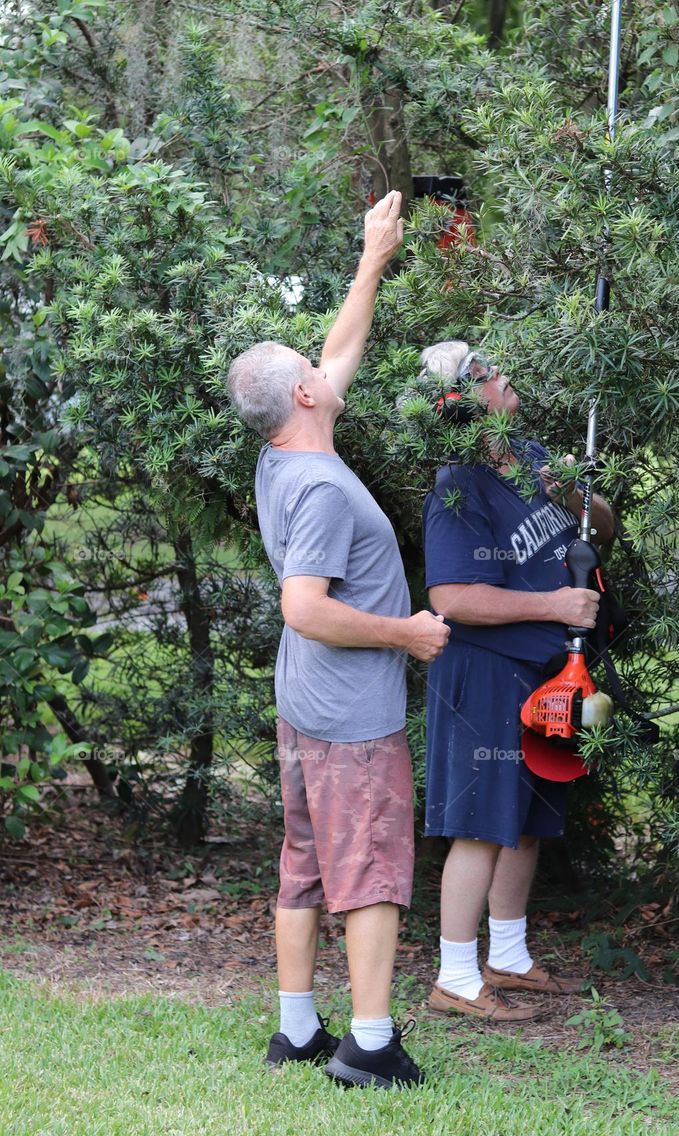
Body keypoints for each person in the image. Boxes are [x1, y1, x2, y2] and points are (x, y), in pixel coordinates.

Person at [226, 192, 449, 1089]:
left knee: (308, 859)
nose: (319, 364)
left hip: (304, 702)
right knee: (372, 869)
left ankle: (295, 1030)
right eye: (304, 363)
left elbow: (337, 350)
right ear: (305, 396)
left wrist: (373, 259)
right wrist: (406, 632)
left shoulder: (285, 450)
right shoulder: (316, 487)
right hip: (348, 712)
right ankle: (367, 1044)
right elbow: (304, 607)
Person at [419, 340, 615, 1020]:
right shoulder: (456, 485)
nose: (505, 378)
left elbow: (602, 530)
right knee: (478, 826)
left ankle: (507, 955)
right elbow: (450, 597)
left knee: (528, 820)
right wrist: (552, 606)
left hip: (546, 672)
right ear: (469, 396)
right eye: (491, 373)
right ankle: (454, 978)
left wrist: (576, 493)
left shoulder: (533, 459)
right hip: (485, 673)